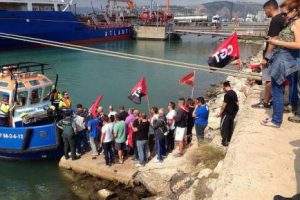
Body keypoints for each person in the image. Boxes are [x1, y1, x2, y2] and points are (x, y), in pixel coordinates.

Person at [261, 0, 300, 127]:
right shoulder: (291, 22)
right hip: (283, 59)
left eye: (285, 13)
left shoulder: (298, 23)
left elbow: (298, 44)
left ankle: (276, 120)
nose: (283, 16)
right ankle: (277, 116)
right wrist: (275, 39)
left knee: (277, 88)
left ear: (294, 11)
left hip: (287, 59)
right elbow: (288, 38)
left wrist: (277, 43)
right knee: (280, 87)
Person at [252, 0, 286, 109]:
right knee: (276, 79)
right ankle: (273, 100)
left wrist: (266, 57)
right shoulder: (282, 18)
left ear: (269, 8)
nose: (265, 12)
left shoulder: (275, 20)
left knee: (268, 80)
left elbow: (273, 40)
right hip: (280, 54)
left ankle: (265, 102)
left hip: (273, 55)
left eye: (265, 10)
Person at [218, 81, 239, 146]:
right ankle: (229, 139)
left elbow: (224, 105)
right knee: (230, 126)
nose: (223, 89)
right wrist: (236, 111)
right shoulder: (234, 92)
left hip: (227, 113)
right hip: (233, 113)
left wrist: (220, 113)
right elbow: (237, 103)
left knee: (223, 127)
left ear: (225, 86)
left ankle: (224, 141)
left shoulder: (227, 95)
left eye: (223, 87)